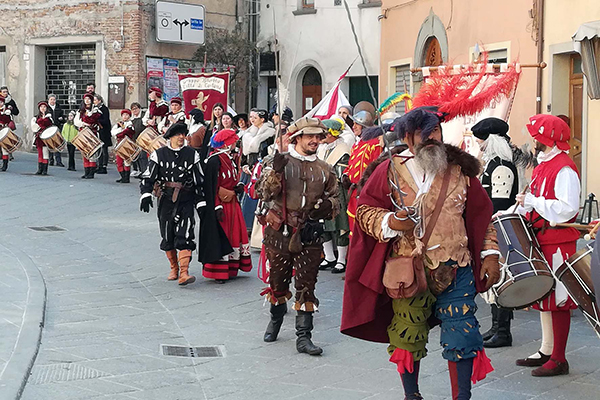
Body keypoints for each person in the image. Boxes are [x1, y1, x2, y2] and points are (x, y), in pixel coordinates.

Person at [341, 108, 501, 400]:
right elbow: (364, 211)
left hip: (457, 264)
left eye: (436, 131)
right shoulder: (389, 169)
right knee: (407, 334)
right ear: (407, 137)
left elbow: (481, 216)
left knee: (462, 333)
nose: (431, 138)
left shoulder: (460, 170)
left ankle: (461, 397)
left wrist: (490, 253)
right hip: (408, 269)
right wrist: (390, 222)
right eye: (422, 133)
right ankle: (411, 395)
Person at [256, 117, 339, 355]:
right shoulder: (278, 162)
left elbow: (335, 199)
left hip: (309, 234)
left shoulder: (325, 169)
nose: (315, 140)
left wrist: (327, 207)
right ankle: (276, 319)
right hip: (279, 232)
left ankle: (304, 337)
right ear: (297, 138)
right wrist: (276, 171)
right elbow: (264, 192)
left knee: (307, 286)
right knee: (278, 282)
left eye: (318, 136)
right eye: (309, 136)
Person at [506, 115, 581, 377]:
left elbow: (567, 209)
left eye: (537, 138)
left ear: (546, 140)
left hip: (558, 240)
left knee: (558, 298)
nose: (533, 142)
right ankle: (547, 349)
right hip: (542, 238)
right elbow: (534, 201)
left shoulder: (564, 168)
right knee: (545, 295)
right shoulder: (543, 165)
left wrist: (535, 202)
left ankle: (559, 358)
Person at [471, 117, 519, 349]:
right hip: (491, 227)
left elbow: (498, 203)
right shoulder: (493, 164)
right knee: (493, 277)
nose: (479, 146)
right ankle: (496, 327)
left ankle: (503, 332)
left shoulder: (500, 166)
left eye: (481, 141)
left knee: (501, 277)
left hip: (499, 228)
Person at [140, 123, 205, 286]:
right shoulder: (159, 154)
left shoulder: (192, 154)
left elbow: (199, 179)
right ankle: (174, 267)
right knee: (167, 234)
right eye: (178, 135)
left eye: (183, 134)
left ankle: (184, 272)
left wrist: (201, 201)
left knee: (186, 232)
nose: (182, 137)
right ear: (170, 137)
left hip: (186, 198)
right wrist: (146, 194)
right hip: (166, 199)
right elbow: (148, 176)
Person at [199, 129, 252, 283]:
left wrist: (238, 186)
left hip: (232, 203)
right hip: (221, 204)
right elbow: (211, 187)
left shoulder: (229, 158)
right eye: (233, 140)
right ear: (226, 143)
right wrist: (217, 206)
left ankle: (231, 268)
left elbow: (231, 179)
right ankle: (219, 271)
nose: (235, 142)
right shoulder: (214, 160)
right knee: (223, 234)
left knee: (234, 234)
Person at [317, 118, 351, 273]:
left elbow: (342, 172)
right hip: (321, 190)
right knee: (323, 223)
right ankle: (329, 256)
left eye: (325, 132)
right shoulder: (322, 148)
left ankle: (341, 259)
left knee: (340, 224)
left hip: (336, 191)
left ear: (333, 134)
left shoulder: (343, 149)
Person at [343, 107, 381, 233]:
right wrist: (346, 175)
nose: (353, 126)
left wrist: (366, 187)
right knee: (352, 230)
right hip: (353, 193)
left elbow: (376, 169)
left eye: (356, 124)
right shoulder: (357, 144)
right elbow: (351, 164)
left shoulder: (374, 144)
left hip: (365, 193)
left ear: (364, 126)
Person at [241, 109, 276, 231]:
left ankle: (254, 228)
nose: (252, 120)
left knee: (259, 195)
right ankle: (246, 225)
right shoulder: (248, 133)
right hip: (249, 168)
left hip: (260, 167)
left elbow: (268, 153)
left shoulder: (269, 133)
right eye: (251, 117)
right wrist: (244, 165)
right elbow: (244, 154)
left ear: (262, 119)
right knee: (248, 195)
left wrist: (259, 166)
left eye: (255, 117)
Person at [74, 93, 102, 179]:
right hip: (83, 132)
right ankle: (86, 171)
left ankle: (91, 172)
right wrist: (83, 123)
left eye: (89, 99)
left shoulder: (95, 110)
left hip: (91, 133)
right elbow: (76, 122)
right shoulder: (80, 111)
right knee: (84, 153)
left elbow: (94, 121)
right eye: (85, 99)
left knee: (92, 153)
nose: (87, 100)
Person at [111, 109, 136, 183]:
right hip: (119, 144)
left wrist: (119, 132)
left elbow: (128, 132)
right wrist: (120, 131)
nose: (125, 116)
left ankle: (126, 177)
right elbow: (113, 132)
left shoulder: (130, 125)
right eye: (123, 115)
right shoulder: (119, 124)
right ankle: (122, 176)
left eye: (127, 115)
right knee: (119, 161)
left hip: (127, 144)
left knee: (127, 161)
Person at [31, 101, 54, 176]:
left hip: (46, 137)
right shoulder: (35, 117)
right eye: (41, 107)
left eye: (44, 107)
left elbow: (50, 126)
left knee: (45, 153)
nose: (43, 108)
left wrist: (45, 119)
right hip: (39, 137)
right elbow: (34, 127)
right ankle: (40, 169)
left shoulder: (49, 117)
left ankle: (45, 170)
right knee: (40, 153)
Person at [94, 94, 111, 174]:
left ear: (99, 101)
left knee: (104, 149)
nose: (94, 102)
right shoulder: (94, 108)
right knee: (99, 149)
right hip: (98, 131)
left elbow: (106, 120)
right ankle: (99, 165)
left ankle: (104, 166)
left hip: (104, 131)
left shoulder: (104, 109)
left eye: (95, 100)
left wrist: (98, 119)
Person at [47, 94, 65, 167]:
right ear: (48, 100)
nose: (52, 101)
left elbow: (62, 117)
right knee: (49, 144)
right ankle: (51, 160)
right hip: (49, 128)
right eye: (51, 99)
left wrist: (61, 119)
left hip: (57, 127)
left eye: (54, 99)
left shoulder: (58, 107)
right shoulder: (46, 108)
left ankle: (58, 161)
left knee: (58, 144)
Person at [129, 102, 147, 178]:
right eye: (133, 109)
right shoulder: (131, 118)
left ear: (139, 108)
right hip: (134, 139)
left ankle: (144, 171)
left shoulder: (143, 116)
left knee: (142, 156)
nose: (134, 110)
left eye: (136, 108)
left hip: (142, 139)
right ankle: (138, 170)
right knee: (136, 156)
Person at [0, 95, 16, 171]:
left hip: (3, 131)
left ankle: (5, 165)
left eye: (1, 102)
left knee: (4, 149)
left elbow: (9, 121)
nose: (0, 104)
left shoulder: (7, 111)